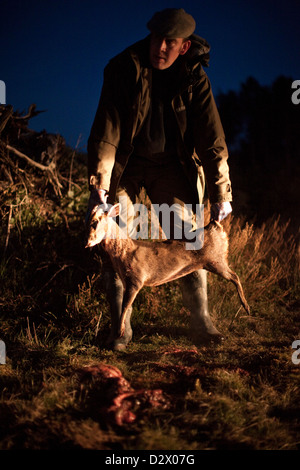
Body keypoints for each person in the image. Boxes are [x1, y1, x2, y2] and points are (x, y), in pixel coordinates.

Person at [87, 8, 232, 350]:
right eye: (157, 39)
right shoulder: (123, 68)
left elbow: (212, 141)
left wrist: (221, 192)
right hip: (127, 164)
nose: (161, 48)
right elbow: (106, 133)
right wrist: (101, 186)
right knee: (118, 241)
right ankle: (120, 330)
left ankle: (203, 322)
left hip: (174, 167)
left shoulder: (195, 77)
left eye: (170, 42)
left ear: (184, 46)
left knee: (190, 239)